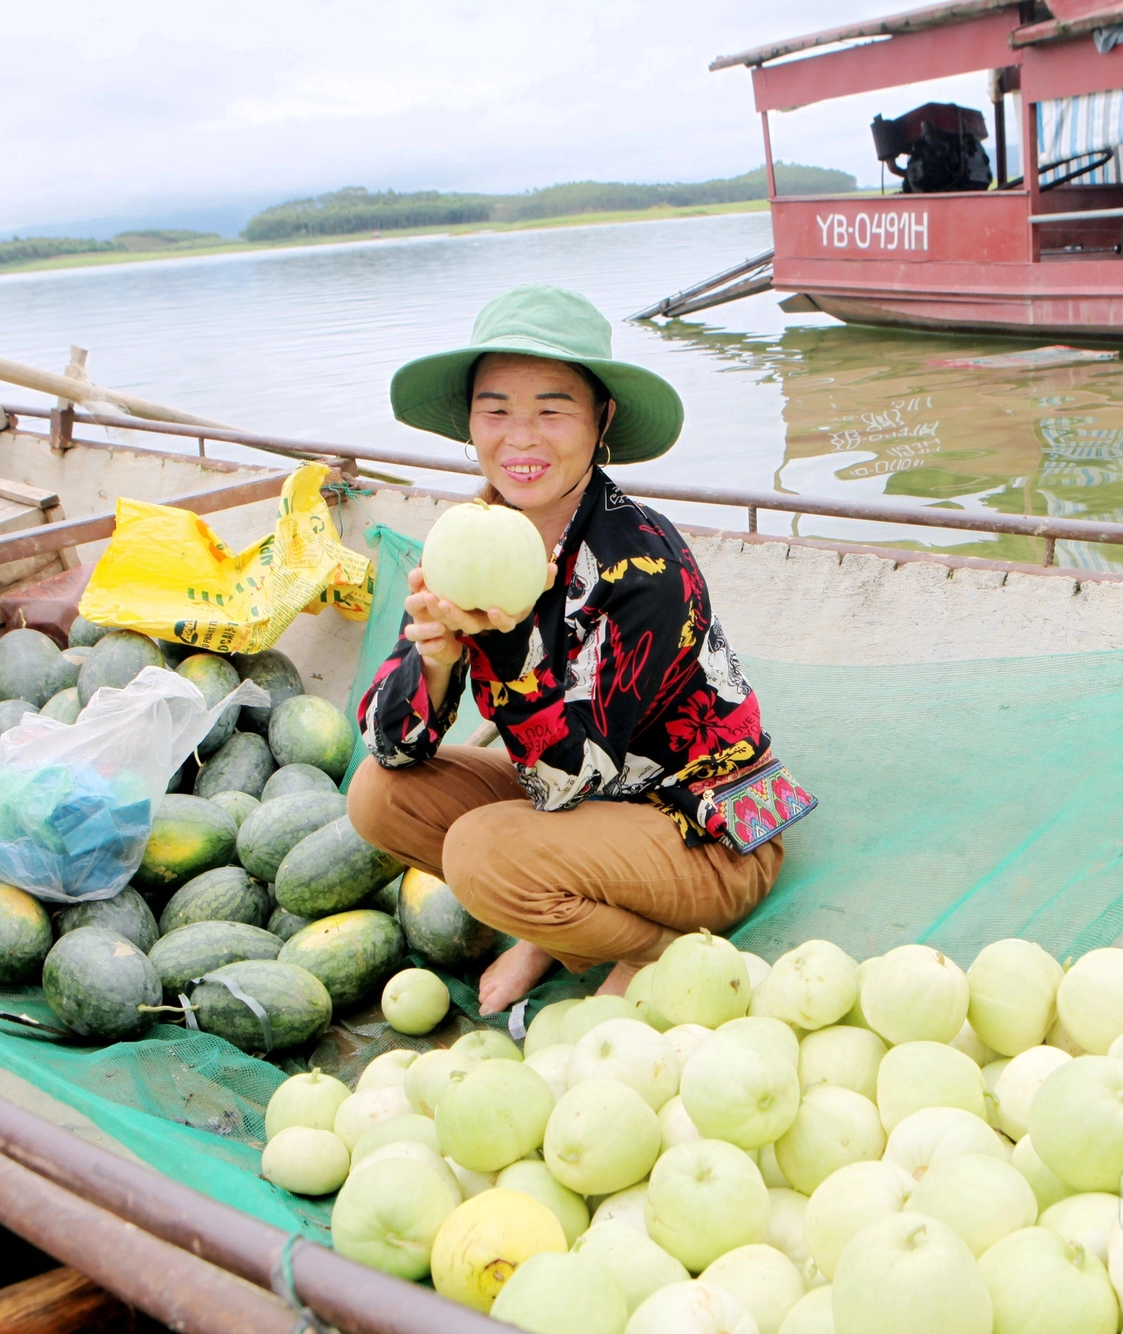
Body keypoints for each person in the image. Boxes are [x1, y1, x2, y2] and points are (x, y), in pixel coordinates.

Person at [346, 285, 811, 1015]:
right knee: (379, 798)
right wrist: (436, 659)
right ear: (470, 423)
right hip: (584, 815)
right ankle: (566, 920)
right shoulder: (476, 536)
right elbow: (390, 747)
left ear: (603, 422)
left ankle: (654, 951)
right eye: (495, 410)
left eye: (552, 410)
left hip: (706, 827)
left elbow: (569, 780)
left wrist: (503, 641)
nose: (520, 438)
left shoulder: (644, 567)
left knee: (480, 853)